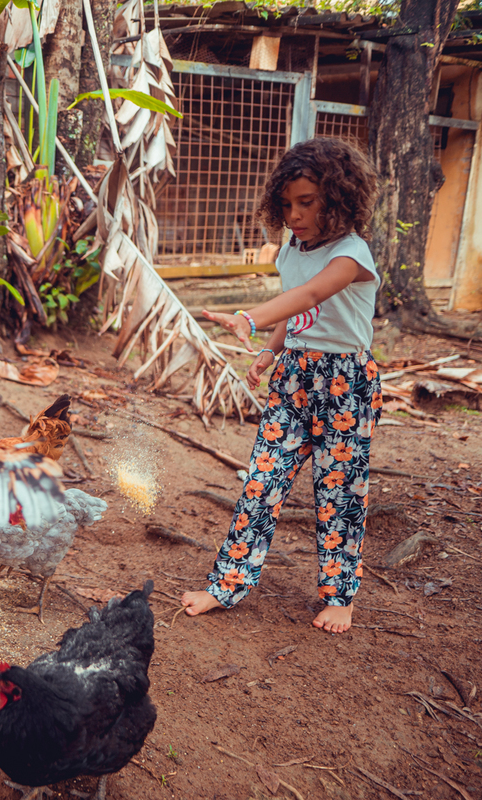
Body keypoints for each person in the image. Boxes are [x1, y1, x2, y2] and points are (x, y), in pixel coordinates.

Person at [180, 137, 383, 635]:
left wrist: (250, 318)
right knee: (260, 482)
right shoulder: (292, 249)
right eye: (287, 204)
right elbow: (296, 309)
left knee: (339, 493)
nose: (294, 215)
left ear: (338, 198)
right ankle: (227, 584)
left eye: (307, 203)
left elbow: (313, 293)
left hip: (345, 386)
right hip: (293, 379)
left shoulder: (351, 254)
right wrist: (270, 352)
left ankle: (339, 597)